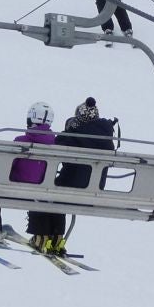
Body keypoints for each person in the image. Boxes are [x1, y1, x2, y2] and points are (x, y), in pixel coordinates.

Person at [51, 96, 118, 250]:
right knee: (56, 196)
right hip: (94, 191)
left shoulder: (75, 135)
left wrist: (69, 129)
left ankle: (46, 237)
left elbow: (56, 146)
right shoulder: (107, 139)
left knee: (48, 195)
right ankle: (58, 241)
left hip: (70, 185)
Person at [14, 101, 67, 252]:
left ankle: (40, 237)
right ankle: (56, 238)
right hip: (46, 188)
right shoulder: (56, 143)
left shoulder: (20, 142)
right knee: (49, 194)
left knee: (36, 192)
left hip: (18, 186)